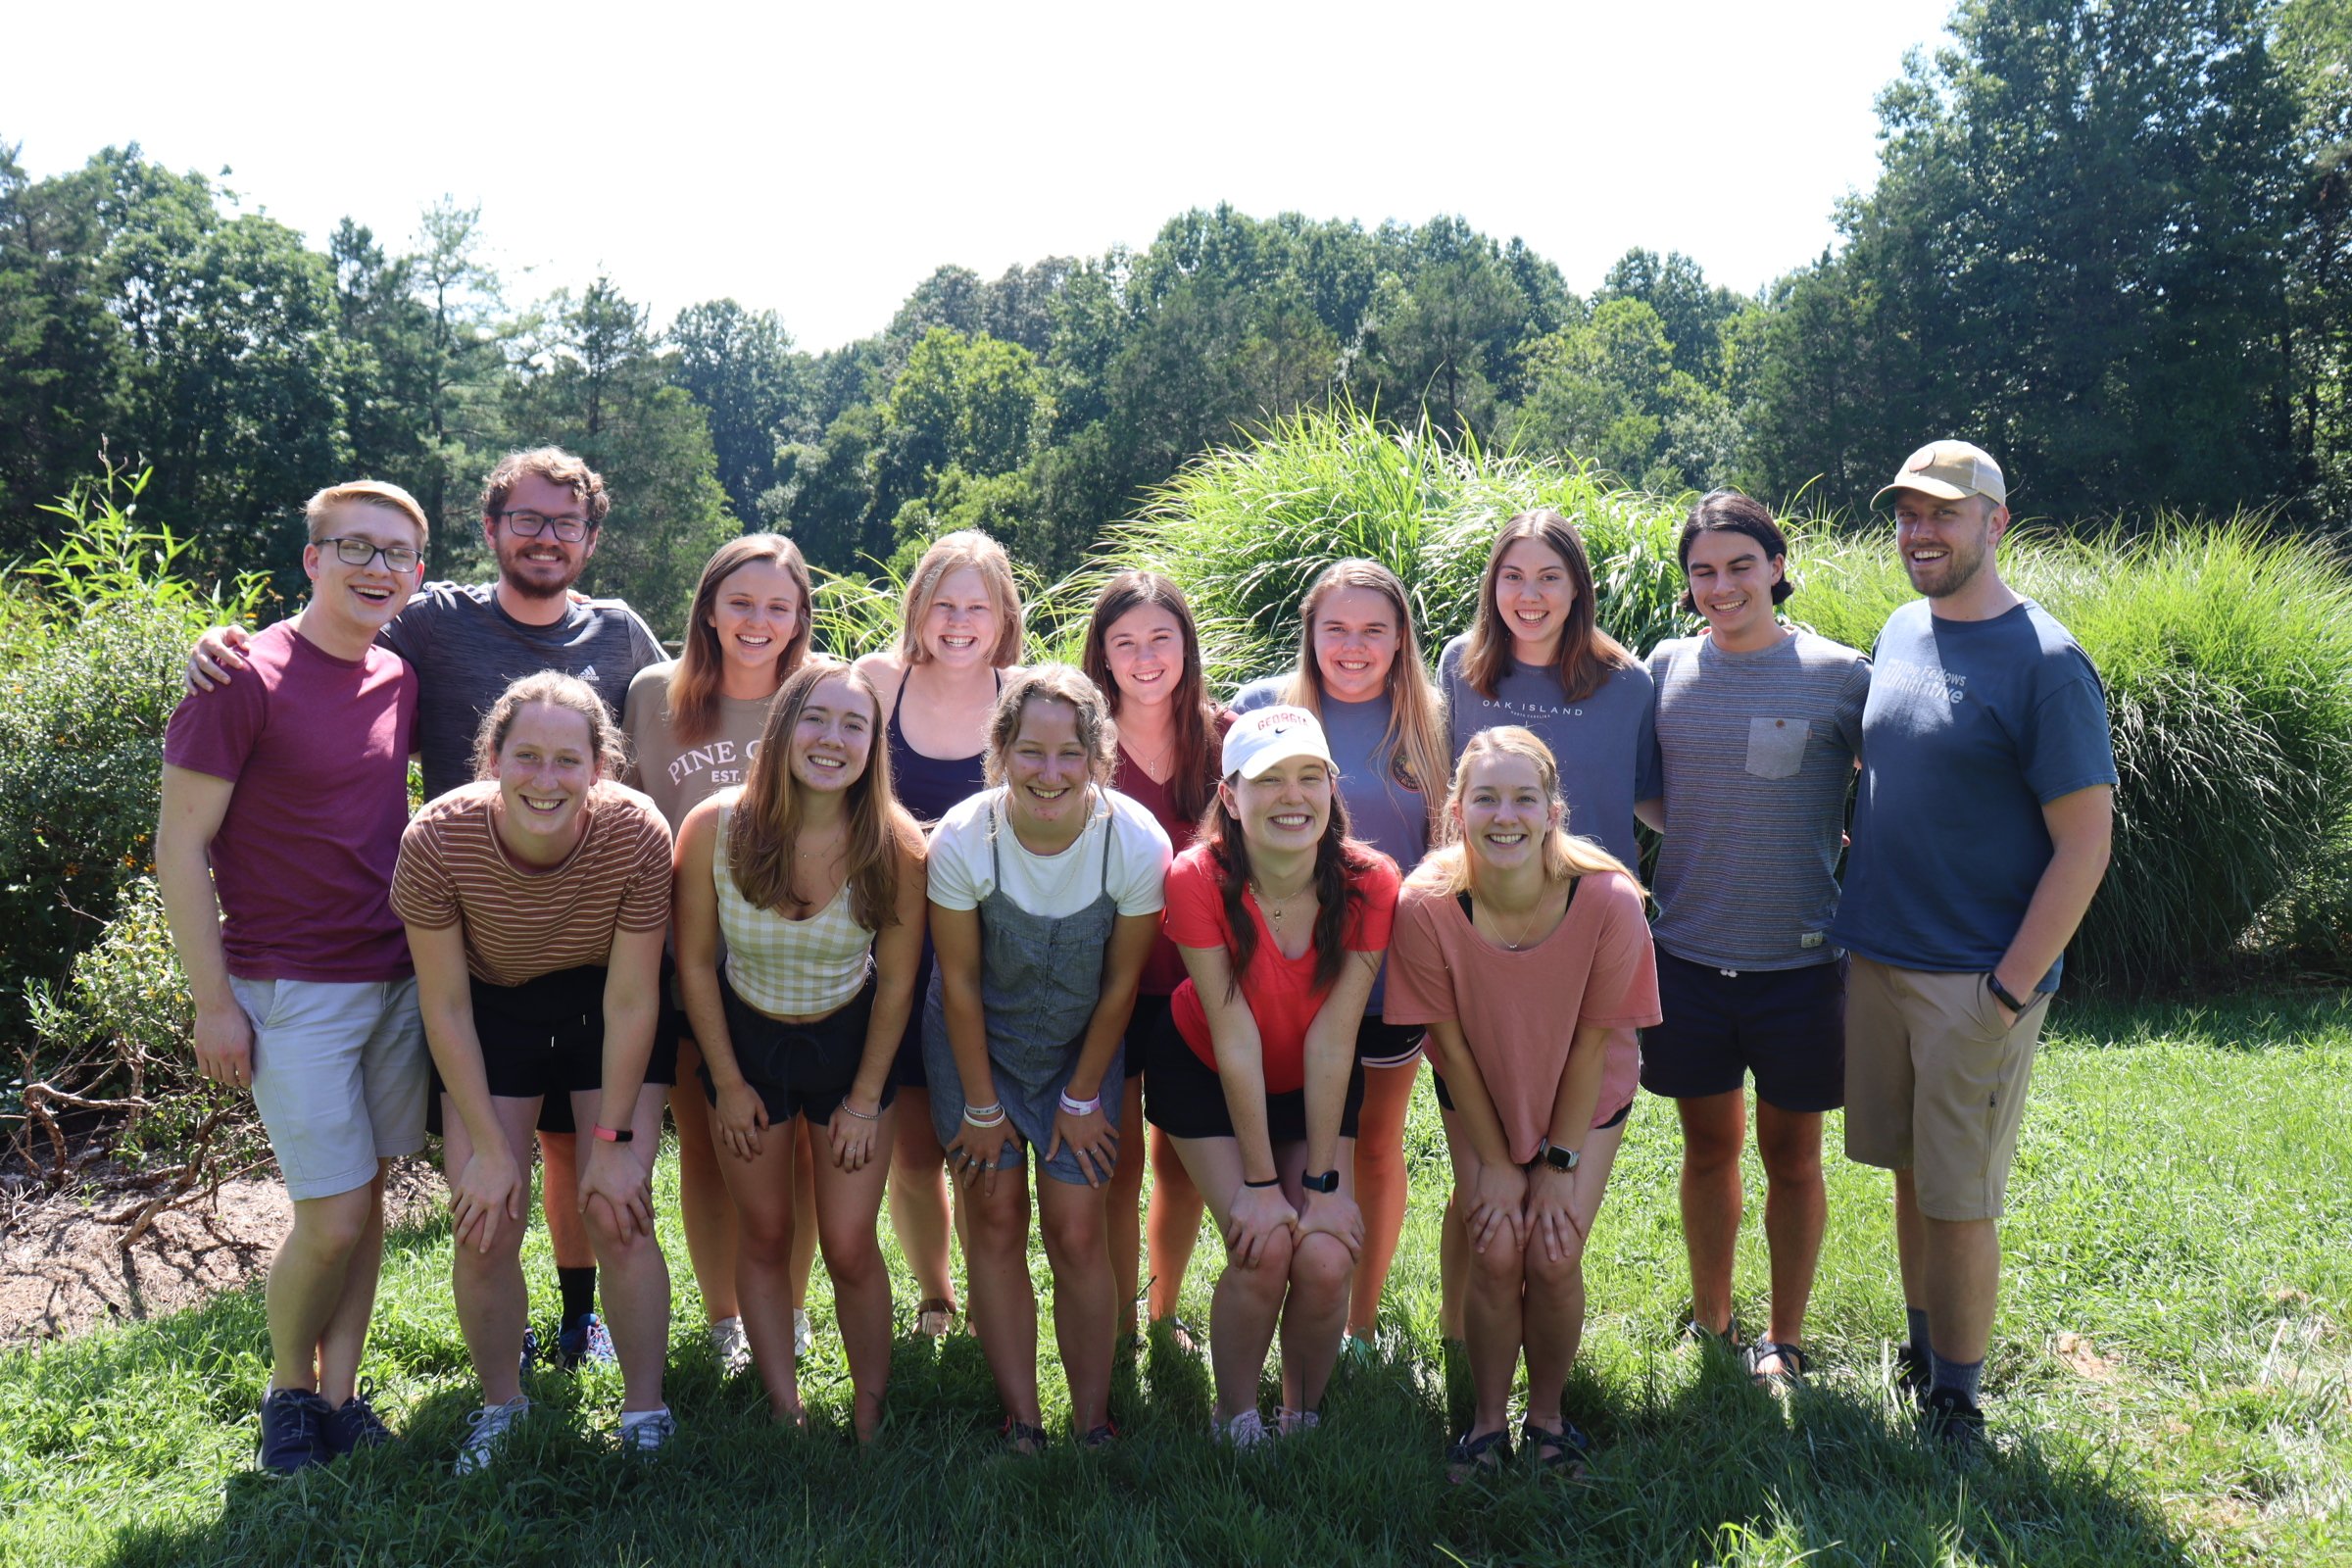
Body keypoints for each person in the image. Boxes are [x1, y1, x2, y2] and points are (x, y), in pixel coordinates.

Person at [193, 447, 666, 1373]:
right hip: (467, 931)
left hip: (591, 938)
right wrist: (225, 643)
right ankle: (477, 1361)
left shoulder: (621, 634)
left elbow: (686, 708)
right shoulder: (432, 618)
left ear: (591, 539)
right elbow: (325, 640)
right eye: (525, 520)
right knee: (493, 1166)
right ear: (490, 531)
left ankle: (581, 1322)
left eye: (565, 523)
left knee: (577, 1157)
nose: (545, 537)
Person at [1832, 441, 2116, 1447]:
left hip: (1973, 979)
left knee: (1959, 1197)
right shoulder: (1903, 630)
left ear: (1997, 523)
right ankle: (1921, 1351)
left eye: (1945, 513)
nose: (1922, 531)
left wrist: (2007, 989)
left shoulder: (2045, 661)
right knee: (1912, 1173)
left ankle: (1957, 1399)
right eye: (1908, 513)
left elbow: (2087, 843)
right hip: (1881, 959)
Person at [156, 481, 429, 1472]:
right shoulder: (241, 675)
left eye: (396, 552)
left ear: (418, 574)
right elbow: (179, 849)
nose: (376, 566)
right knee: (333, 1211)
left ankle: (343, 1395)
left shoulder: (398, 673)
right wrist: (213, 1001)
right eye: (353, 546)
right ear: (310, 558)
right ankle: (286, 1395)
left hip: (393, 977)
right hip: (288, 989)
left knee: (370, 1197)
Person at [390, 673, 680, 1471]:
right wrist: (485, 1148)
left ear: (600, 766)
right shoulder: (437, 840)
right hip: (491, 1007)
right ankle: (500, 1406)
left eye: (565, 760)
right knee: (483, 1224)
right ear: (492, 759)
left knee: (617, 1209)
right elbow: (444, 1007)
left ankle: (645, 1411)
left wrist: (616, 1140)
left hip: (603, 1005)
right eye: (526, 757)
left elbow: (631, 1001)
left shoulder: (636, 833)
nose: (544, 780)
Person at [1633, 493, 1870, 1382]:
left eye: (1740, 565)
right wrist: (1702, 820)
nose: (1721, 586)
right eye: (1703, 571)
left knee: (1793, 1159)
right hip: (1688, 955)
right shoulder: (1665, 665)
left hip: (1801, 964)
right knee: (1707, 1149)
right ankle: (1712, 1320)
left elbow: (1883, 792)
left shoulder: (1841, 676)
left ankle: (1788, 1336)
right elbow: (1651, 789)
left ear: (1776, 564)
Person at [1386, 727, 1660, 1475]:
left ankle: (1547, 1420)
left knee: (1552, 1244)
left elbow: (1592, 1045)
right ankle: (1483, 1425)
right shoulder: (1427, 903)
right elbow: (1451, 1046)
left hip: (1582, 1089)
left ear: (1552, 810)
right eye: (1486, 798)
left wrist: (1556, 1163)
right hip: (1481, 1085)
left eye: (1523, 799)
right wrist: (1502, 1163)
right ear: (1456, 810)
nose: (1504, 816)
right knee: (1494, 1244)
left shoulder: (1607, 901)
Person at [672, 659, 925, 1441]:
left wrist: (863, 1098)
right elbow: (693, 964)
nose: (833, 738)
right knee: (768, 1233)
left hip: (852, 1049)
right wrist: (726, 1081)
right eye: (816, 718)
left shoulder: (897, 843)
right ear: (782, 727)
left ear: (873, 745)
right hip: (746, 1047)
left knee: (850, 1244)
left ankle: (870, 1415)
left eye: (855, 725)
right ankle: (786, 1412)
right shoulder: (715, 826)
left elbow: (895, 986)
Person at [926, 666, 1170, 1449]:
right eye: (1030, 751)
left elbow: (1121, 983)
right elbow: (959, 985)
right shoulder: (964, 837)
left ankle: (1093, 1419)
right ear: (1001, 750)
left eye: (1071, 753)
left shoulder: (1135, 842)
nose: (1050, 772)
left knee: (1075, 1229)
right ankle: (1023, 1419)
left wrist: (1081, 1095)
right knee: (994, 1218)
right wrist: (982, 1106)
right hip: (975, 1052)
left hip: (1082, 1052)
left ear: (1100, 754)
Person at [1434, 510, 1661, 1341]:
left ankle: (1545, 1361)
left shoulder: (1626, 681)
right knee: (1477, 1167)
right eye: (1513, 577)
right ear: (1493, 587)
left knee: (1563, 1144)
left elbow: (1651, 798)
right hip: (1480, 932)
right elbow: (1449, 789)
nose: (1530, 596)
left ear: (1578, 588)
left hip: (1585, 939)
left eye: (1550, 578)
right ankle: (1464, 1339)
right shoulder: (1462, 668)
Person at [1153, 706, 1397, 1444]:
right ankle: (1237, 1419)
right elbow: (1234, 1037)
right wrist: (1262, 1189)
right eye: (1268, 781)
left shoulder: (1370, 881)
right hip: (1208, 1070)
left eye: (1308, 777)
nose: (1292, 797)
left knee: (1324, 1256)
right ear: (1230, 796)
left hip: (1313, 1077)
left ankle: (1301, 1414)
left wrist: (1321, 1189)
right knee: (1261, 1250)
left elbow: (1334, 1038)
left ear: (1331, 786)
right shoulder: (1195, 877)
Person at [1231, 560, 1445, 1354]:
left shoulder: (1426, 722)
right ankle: (1274, 1299)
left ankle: (1357, 1320)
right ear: (1309, 635)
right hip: (1277, 978)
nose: (1353, 647)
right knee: (1286, 1146)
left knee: (1376, 1145)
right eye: (1335, 630)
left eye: (1373, 631)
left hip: (1387, 980)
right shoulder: (1261, 710)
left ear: (1400, 641)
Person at [623, 534, 817, 1375]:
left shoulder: (816, 694)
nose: (757, 621)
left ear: (800, 618)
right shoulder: (653, 696)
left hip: (802, 965)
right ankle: (725, 1318)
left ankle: (795, 1309)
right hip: (685, 961)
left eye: (779, 606)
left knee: (798, 1146)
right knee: (704, 1144)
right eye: (741, 601)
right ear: (708, 606)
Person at [853, 530, 1024, 1337]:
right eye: (943, 604)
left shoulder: (1022, 693)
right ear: (918, 609)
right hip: (890, 940)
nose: (958, 622)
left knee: (984, 1143)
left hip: (995, 948)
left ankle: (1007, 1290)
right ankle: (936, 1294)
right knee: (916, 1154)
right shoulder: (874, 684)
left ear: (1002, 618)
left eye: (976, 607)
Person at [1079, 570, 1228, 1348]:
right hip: (1106, 987)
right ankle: (1114, 1325)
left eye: (1159, 639)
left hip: (1198, 986)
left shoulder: (1227, 738)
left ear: (1185, 646)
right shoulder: (1078, 747)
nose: (1144, 658)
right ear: (1101, 654)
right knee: (1116, 1159)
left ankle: (1162, 1311)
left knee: (1181, 1162)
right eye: (1125, 642)